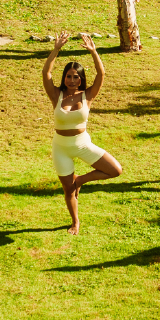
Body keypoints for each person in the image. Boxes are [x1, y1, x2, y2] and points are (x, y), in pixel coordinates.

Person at [42, 31, 123, 234]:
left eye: (75, 77)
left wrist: (94, 52)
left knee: (115, 170)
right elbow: (46, 74)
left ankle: (80, 180)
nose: (71, 80)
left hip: (83, 144)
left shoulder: (88, 95)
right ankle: (75, 222)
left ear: (80, 79)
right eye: (68, 76)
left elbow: (101, 75)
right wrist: (56, 49)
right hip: (61, 147)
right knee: (68, 190)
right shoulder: (56, 95)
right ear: (65, 78)